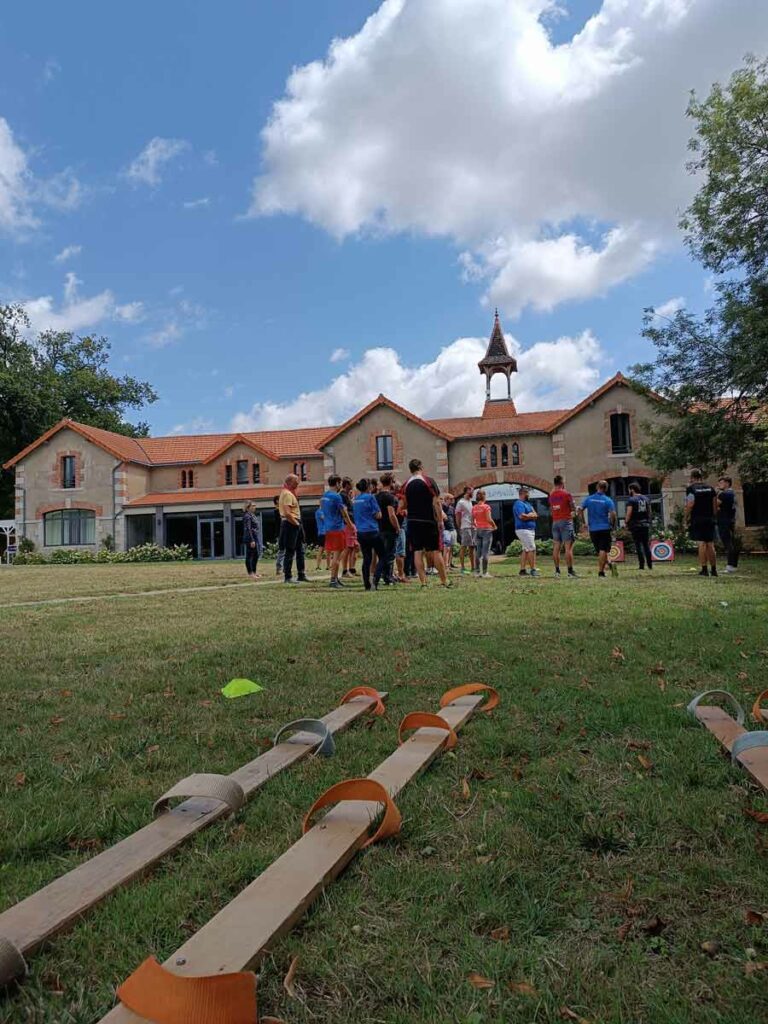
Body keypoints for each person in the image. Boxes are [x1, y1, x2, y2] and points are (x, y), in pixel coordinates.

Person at [401, 459, 450, 588]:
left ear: (410, 469)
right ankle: (444, 581)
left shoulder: (406, 484)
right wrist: (440, 520)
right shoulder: (428, 481)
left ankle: (423, 582)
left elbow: (403, 504)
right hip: (428, 520)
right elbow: (436, 502)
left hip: (412, 521)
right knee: (436, 551)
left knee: (417, 551)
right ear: (421, 467)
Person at [353, 478, 386, 591]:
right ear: (368, 487)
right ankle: (375, 580)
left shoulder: (356, 499)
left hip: (361, 532)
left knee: (367, 558)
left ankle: (366, 584)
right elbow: (378, 515)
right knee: (383, 556)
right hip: (372, 530)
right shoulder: (370, 497)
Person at [321, 475, 353, 589]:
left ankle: (336, 579)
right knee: (337, 556)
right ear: (338, 483)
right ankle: (333, 580)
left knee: (335, 554)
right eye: (340, 483)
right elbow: (344, 513)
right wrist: (350, 525)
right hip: (337, 528)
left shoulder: (324, 496)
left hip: (328, 528)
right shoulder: (336, 497)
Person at [579, 480, 617, 578]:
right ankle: (601, 572)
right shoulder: (607, 500)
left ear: (597, 487)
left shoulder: (589, 499)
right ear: (606, 488)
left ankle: (606, 565)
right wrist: (613, 524)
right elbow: (613, 513)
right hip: (604, 527)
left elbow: (580, 510)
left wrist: (583, 522)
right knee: (603, 550)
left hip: (593, 529)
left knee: (601, 550)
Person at [686, 469, 718, 577]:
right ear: (701, 477)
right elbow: (715, 505)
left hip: (698, 518)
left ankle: (704, 569)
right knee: (710, 544)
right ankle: (714, 570)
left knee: (701, 544)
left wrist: (686, 517)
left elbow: (690, 504)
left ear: (692, 477)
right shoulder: (711, 488)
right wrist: (713, 516)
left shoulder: (691, 489)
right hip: (710, 519)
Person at [278, 474, 309, 584]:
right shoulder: (287, 494)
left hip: (294, 522)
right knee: (290, 551)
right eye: (296, 481)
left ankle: (301, 574)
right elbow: (287, 513)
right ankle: (288, 577)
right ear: (290, 482)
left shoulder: (289, 493)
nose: (298, 483)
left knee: (300, 550)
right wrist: (296, 524)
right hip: (291, 523)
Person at [548, 475, 577, 578]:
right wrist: (573, 511)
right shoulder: (566, 494)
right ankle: (570, 571)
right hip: (566, 521)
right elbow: (573, 507)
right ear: (562, 483)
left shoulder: (551, 496)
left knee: (556, 547)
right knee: (568, 547)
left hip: (555, 522)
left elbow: (551, 510)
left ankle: (557, 571)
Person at [376, 472, 400, 584]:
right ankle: (388, 577)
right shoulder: (390, 497)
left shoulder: (376, 497)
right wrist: (397, 527)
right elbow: (391, 514)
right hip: (389, 529)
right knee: (390, 554)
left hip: (379, 528)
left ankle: (382, 575)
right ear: (391, 482)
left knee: (381, 554)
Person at [625, 482, 653, 571]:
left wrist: (626, 522)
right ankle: (650, 565)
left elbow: (629, 513)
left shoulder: (631, 500)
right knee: (646, 544)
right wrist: (649, 521)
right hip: (645, 524)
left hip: (635, 524)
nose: (629, 491)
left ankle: (641, 565)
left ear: (632, 489)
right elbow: (650, 512)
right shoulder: (646, 498)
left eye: (629, 489)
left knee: (638, 544)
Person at [513, 485, 540, 577]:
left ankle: (522, 570)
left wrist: (529, 515)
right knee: (532, 548)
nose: (528, 495)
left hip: (530, 529)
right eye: (527, 493)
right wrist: (531, 515)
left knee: (526, 549)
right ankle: (533, 569)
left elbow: (536, 515)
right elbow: (521, 516)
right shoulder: (518, 504)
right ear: (522, 493)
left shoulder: (528, 504)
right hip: (523, 530)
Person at [472, 489, 496, 578]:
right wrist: (494, 526)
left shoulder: (474, 507)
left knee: (478, 552)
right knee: (485, 552)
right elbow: (489, 519)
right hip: (487, 530)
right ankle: (485, 572)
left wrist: (477, 525)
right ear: (484, 496)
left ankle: (477, 572)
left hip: (478, 530)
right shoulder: (486, 507)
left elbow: (472, 520)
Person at [717, 476, 738, 573]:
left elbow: (714, 504)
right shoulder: (732, 493)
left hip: (724, 521)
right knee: (732, 543)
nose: (719, 485)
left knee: (728, 543)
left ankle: (730, 565)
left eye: (721, 483)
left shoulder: (724, 494)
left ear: (727, 483)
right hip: (731, 520)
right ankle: (733, 565)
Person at [455, 486, 476, 574]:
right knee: (464, 546)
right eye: (472, 491)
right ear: (467, 491)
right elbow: (457, 515)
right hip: (465, 527)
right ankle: (462, 568)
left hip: (472, 527)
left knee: (472, 547)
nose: (473, 493)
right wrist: (459, 526)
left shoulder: (470, 502)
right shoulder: (461, 502)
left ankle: (473, 567)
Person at [341, 477, 358, 577]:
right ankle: (344, 570)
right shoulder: (342, 495)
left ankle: (351, 569)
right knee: (348, 547)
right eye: (351, 483)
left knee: (353, 547)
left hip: (351, 523)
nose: (352, 485)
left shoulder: (347, 495)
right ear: (347, 484)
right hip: (348, 524)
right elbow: (344, 511)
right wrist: (349, 523)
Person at [242, 501, 262, 579]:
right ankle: (250, 573)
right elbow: (248, 528)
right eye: (253, 506)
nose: (255, 507)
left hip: (254, 537)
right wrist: (252, 540)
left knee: (256, 555)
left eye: (255, 505)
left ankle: (254, 572)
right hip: (250, 538)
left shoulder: (252, 515)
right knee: (250, 556)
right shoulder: (247, 516)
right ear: (248, 507)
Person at [442, 494, 457, 570]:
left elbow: (453, 518)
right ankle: (445, 565)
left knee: (451, 548)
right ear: (446, 499)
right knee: (446, 548)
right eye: (451, 499)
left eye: (453, 499)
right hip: (446, 530)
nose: (452, 500)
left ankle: (450, 564)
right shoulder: (442, 507)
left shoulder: (452, 508)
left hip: (452, 529)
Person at [272, 495, 285, 576]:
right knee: (282, 550)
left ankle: (283, 568)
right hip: (280, 533)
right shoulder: (277, 510)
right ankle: (279, 568)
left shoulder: (281, 509)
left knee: (285, 551)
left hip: (283, 532)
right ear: (277, 501)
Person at [314, 504, 328, 570]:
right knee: (321, 549)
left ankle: (328, 566)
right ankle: (318, 566)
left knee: (329, 550)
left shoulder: (324, 511)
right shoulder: (319, 511)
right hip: (322, 533)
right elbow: (324, 518)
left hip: (327, 532)